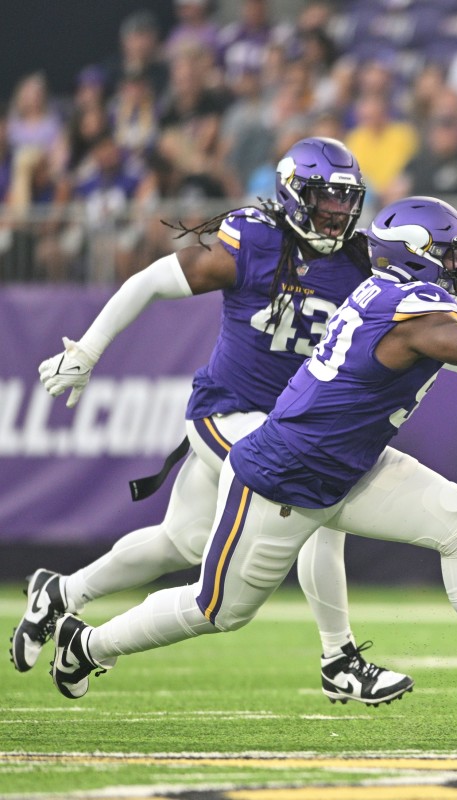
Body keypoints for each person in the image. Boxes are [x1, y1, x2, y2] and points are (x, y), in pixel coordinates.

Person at [48, 196, 457, 738]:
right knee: (218, 610)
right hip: (284, 476)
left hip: (348, 464)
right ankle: (87, 647)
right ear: (415, 255)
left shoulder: (393, 295)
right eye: (450, 252)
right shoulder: (405, 311)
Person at [19, 136, 416, 705]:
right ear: (292, 195)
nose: (336, 211)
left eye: (344, 200)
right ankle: (340, 659)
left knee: (178, 543)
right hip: (227, 412)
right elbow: (152, 280)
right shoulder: (254, 238)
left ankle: (60, 592)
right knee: (315, 501)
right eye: (323, 198)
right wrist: (87, 350)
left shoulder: (359, 260)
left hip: (286, 421)